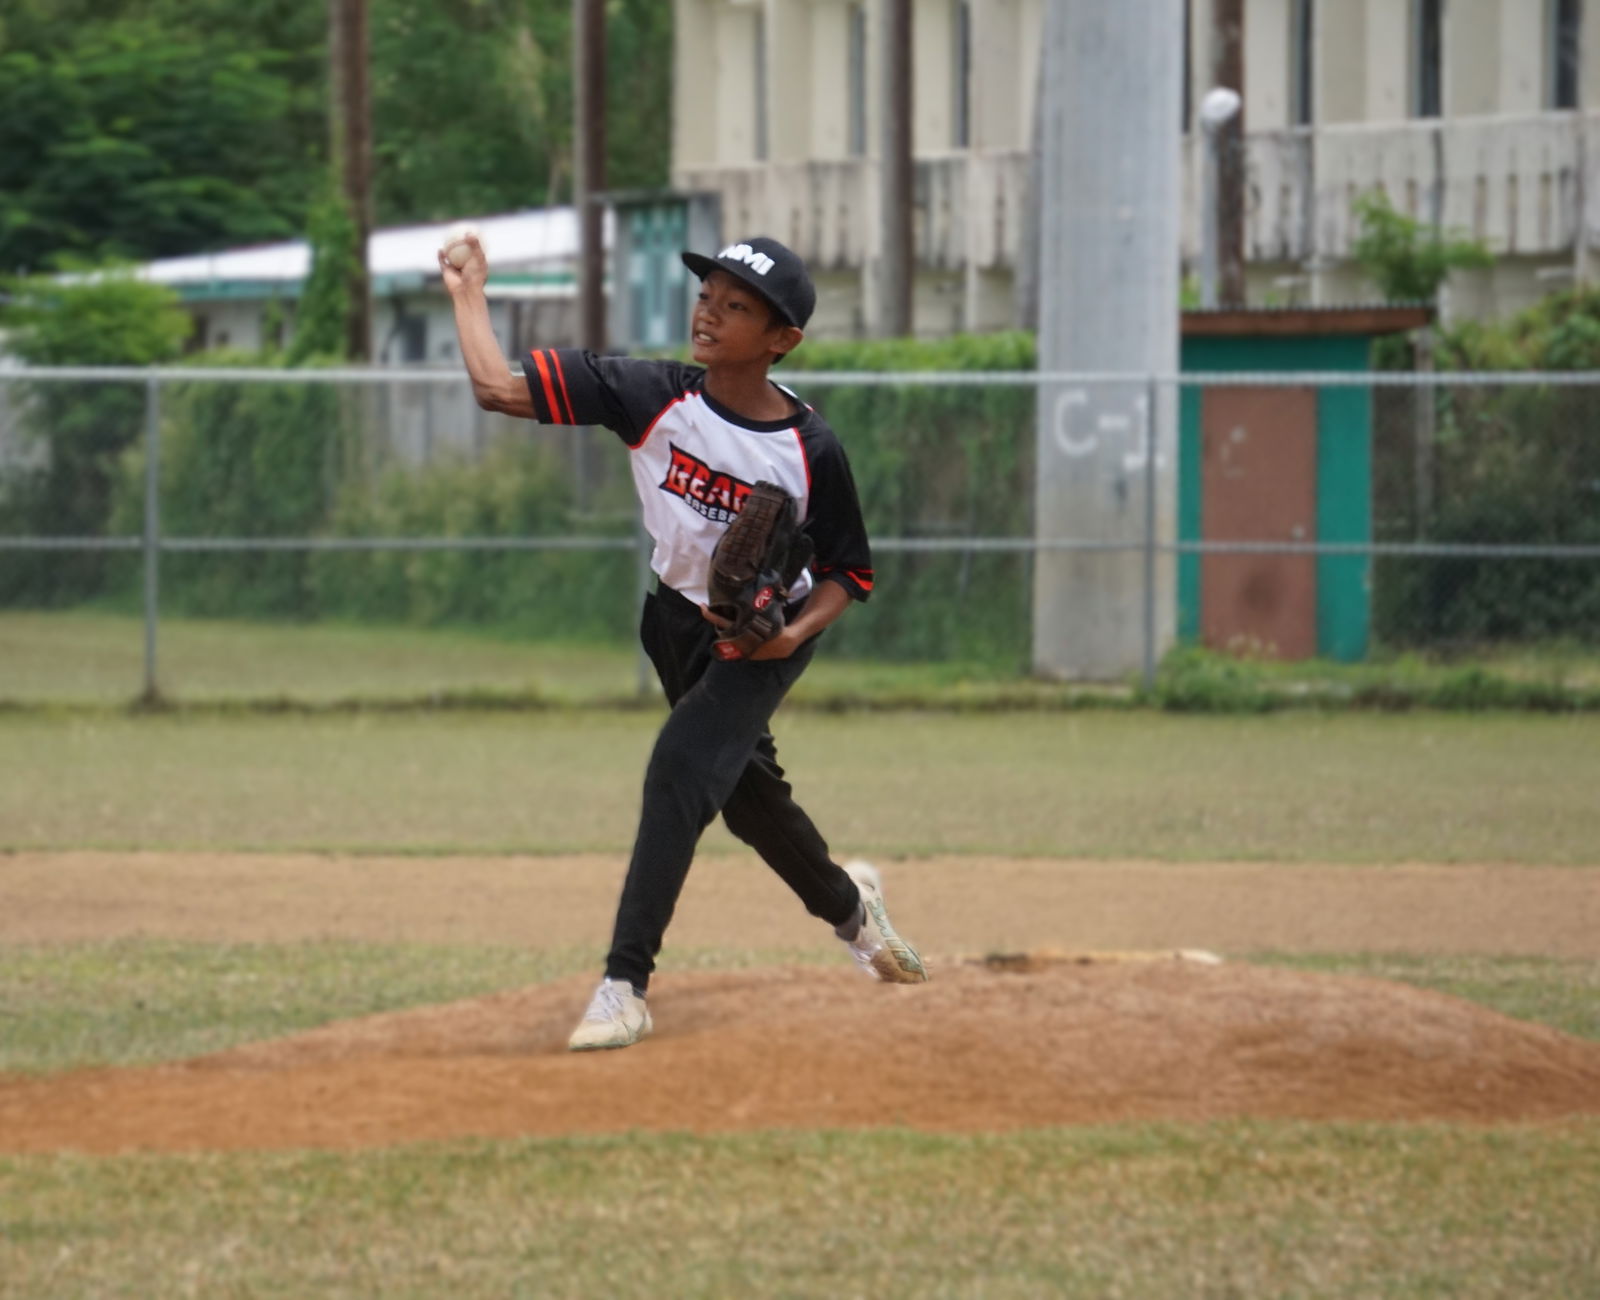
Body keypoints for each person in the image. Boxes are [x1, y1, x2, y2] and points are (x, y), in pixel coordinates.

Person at [441, 232, 928, 1051]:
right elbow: (496, 387)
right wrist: (468, 291)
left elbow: (851, 571)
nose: (709, 312)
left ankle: (625, 985)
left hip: (762, 638)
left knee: (679, 769)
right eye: (707, 295)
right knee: (745, 799)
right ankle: (855, 913)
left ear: (783, 340)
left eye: (736, 306)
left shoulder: (812, 451)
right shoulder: (648, 394)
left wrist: (790, 639)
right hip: (674, 622)